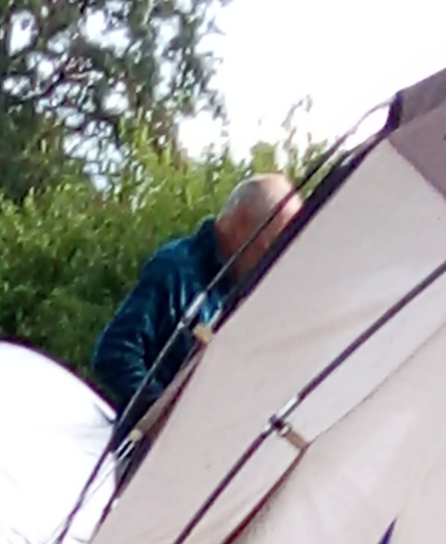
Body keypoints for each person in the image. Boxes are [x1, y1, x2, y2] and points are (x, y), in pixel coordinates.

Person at [93, 173, 301, 456]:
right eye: (271, 245)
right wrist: (164, 418)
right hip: (146, 464)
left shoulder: (244, 292)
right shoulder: (176, 269)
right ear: (241, 224)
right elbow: (115, 353)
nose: (274, 259)